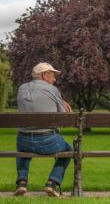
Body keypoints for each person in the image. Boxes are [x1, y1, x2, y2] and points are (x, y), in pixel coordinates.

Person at [15, 62, 73, 197]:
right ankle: (52, 183)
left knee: (23, 151)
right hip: (48, 142)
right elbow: (64, 116)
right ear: (44, 75)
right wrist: (62, 102)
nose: (54, 80)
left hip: (23, 141)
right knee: (69, 150)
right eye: (52, 76)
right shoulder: (52, 90)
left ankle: (22, 183)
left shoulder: (21, 89)